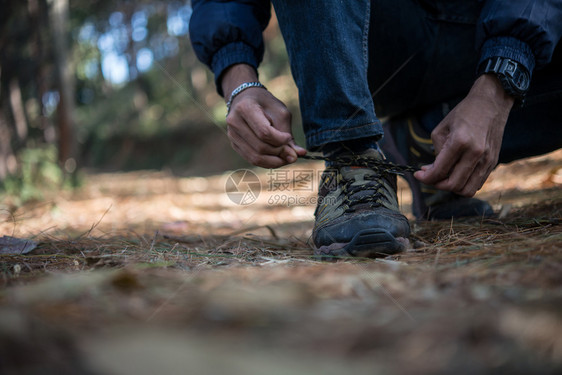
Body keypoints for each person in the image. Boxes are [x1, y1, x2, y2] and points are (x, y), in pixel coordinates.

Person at [189, 0, 562, 258]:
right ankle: (352, 159)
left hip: (502, 35)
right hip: (370, 36)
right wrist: (238, 79)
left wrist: (501, 79)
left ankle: (423, 140)